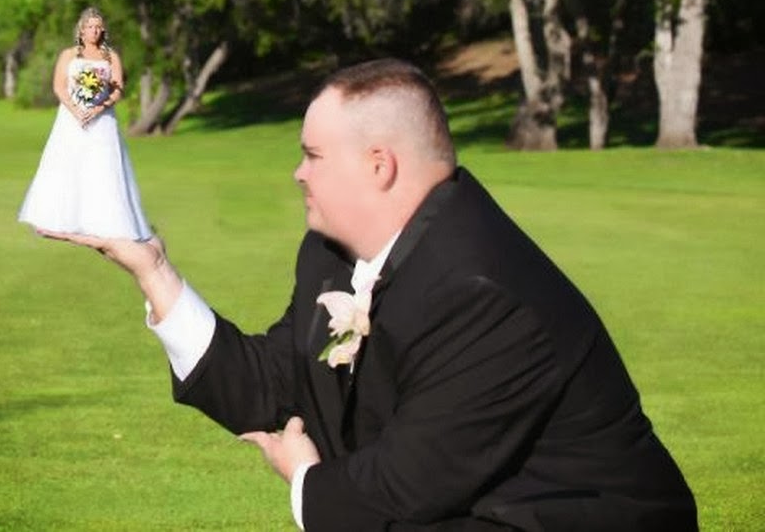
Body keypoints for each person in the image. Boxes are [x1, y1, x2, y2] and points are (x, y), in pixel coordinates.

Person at [41, 59, 697, 530]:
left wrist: (305, 480)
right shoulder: (332, 255)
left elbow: (405, 487)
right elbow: (273, 382)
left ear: (378, 165)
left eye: (313, 155)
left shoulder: (480, 291)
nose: (297, 172)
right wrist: (154, 271)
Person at [18, 7, 151, 240]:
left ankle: (107, 223)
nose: (94, 31)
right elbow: (59, 86)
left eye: (98, 27)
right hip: (71, 118)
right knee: (67, 162)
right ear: (81, 30)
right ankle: (62, 219)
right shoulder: (69, 55)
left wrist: (99, 107)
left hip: (102, 120)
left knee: (102, 166)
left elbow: (117, 89)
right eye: (90, 27)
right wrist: (76, 110)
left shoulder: (110, 56)